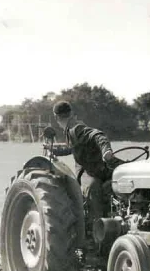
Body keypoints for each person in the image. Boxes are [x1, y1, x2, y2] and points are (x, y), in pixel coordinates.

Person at [51, 100, 121, 234]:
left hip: (94, 169)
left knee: (93, 186)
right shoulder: (70, 129)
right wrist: (54, 150)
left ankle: (100, 229)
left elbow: (98, 135)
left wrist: (106, 150)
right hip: (91, 170)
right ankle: (96, 230)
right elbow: (73, 148)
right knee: (93, 187)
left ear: (56, 117)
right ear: (71, 113)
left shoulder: (76, 128)